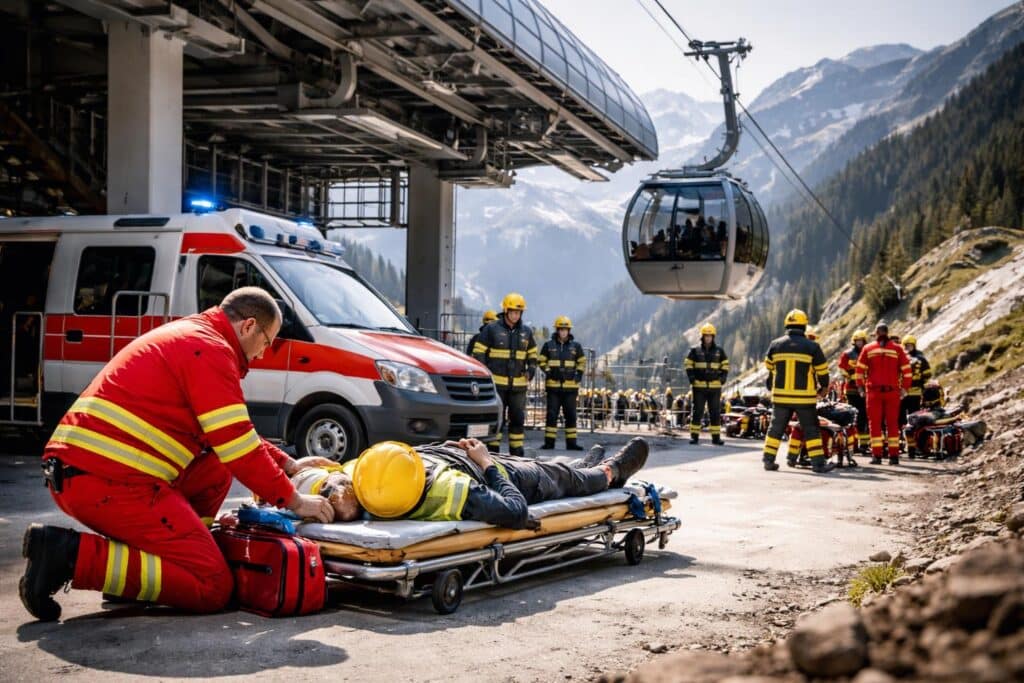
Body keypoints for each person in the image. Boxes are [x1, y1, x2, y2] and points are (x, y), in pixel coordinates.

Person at [19, 287, 336, 622]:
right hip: (106, 481)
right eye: (267, 342)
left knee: (214, 466)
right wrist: (295, 501)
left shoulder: (194, 338)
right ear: (248, 327)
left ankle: (157, 564)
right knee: (213, 586)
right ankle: (64, 555)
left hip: (89, 473)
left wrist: (287, 464)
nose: (262, 354)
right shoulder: (210, 351)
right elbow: (237, 446)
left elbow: (227, 433)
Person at [305, 437, 650, 529]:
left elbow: (330, 475)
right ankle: (608, 472)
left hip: (453, 454)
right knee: (556, 479)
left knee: (549, 468)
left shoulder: (364, 475)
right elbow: (516, 511)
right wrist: (486, 463)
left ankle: (577, 468)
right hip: (488, 470)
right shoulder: (454, 491)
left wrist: (304, 465)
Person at [761, 309, 833, 473]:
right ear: (804, 325)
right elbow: (822, 371)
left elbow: (770, 368)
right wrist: (823, 388)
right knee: (811, 430)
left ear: (787, 325)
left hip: (780, 397)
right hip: (804, 399)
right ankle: (818, 464)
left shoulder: (775, 345)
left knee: (775, 429)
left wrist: (771, 386)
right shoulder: (812, 346)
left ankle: (768, 460)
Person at [472, 292, 537, 456]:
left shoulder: (526, 332)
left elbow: (533, 354)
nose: (516, 315)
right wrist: (485, 374)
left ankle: (517, 453)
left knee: (517, 420)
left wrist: (531, 370)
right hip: (497, 385)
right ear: (506, 311)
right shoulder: (492, 329)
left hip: (519, 386)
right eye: (513, 312)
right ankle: (493, 453)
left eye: (519, 312)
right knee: (497, 420)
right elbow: (478, 352)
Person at [856, 321, 912, 465]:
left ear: (876, 333)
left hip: (874, 392)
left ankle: (877, 456)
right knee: (892, 424)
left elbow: (859, 370)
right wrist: (904, 389)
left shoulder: (868, 348)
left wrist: (861, 388)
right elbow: (907, 370)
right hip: (892, 392)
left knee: (875, 424)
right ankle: (894, 457)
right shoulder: (897, 349)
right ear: (887, 333)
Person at [539, 316, 586, 450]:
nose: (563, 332)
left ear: (569, 331)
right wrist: (548, 372)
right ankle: (549, 443)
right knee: (551, 415)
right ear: (557, 330)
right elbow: (541, 360)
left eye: (566, 330)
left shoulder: (576, 347)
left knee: (570, 415)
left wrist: (578, 374)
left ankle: (572, 444)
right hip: (553, 387)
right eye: (561, 329)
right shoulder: (548, 346)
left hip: (570, 388)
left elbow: (582, 361)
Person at [685, 323, 729, 445]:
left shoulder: (720, 351)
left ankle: (716, 438)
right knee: (697, 412)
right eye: (706, 336)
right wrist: (692, 379)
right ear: (702, 336)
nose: (708, 338)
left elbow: (725, 365)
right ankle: (694, 437)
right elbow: (688, 365)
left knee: (715, 412)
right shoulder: (694, 351)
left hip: (715, 387)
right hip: (699, 387)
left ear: (713, 337)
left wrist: (722, 379)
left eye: (710, 336)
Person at [839, 330, 871, 454]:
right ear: (854, 341)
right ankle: (853, 443)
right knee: (852, 416)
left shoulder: (868, 353)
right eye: (857, 341)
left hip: (865, 389)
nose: (859, 343)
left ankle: (863, 445)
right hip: (852, 389)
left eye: (861, 341)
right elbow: (842, 369)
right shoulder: (847, 354)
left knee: (864, 416)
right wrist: (851, 377)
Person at [901, 334, 932, 426]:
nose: (908, 348)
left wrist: (922, 385)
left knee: (914, 414)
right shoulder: (899, 358)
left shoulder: (920, 358)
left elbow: (927, 374)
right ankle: (903, 434)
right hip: (902, 393)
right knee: (901, 415)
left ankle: (915, 432)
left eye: (910, 345)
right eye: (906, 346)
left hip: (915, 392)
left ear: (914, 346)